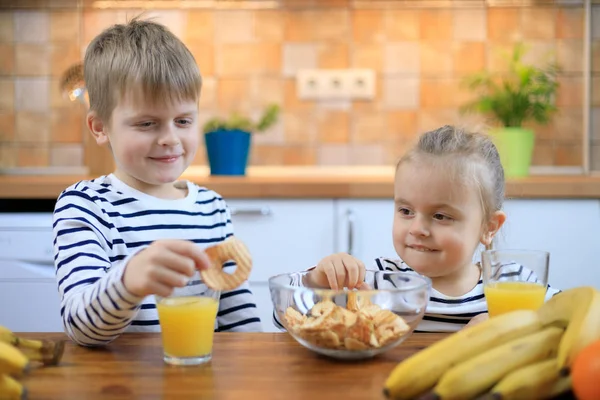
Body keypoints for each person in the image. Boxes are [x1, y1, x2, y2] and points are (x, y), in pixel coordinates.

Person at [53, 18, 262, 346]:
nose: (170, 139)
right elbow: (81, 326)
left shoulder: (212, 208)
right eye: (147, 123)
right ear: (100, 127)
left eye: (183, 121)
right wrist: (129, 281)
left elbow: (240, 321)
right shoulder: (87, 206)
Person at [277, 125, 559, 332]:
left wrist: (510, 325)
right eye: (406, 211)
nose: (418, 228)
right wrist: (318, 281)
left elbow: (578, 325)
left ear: (489, 227)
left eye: (440, 215)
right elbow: (286, 320)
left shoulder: (513, 284)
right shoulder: (377, 282)